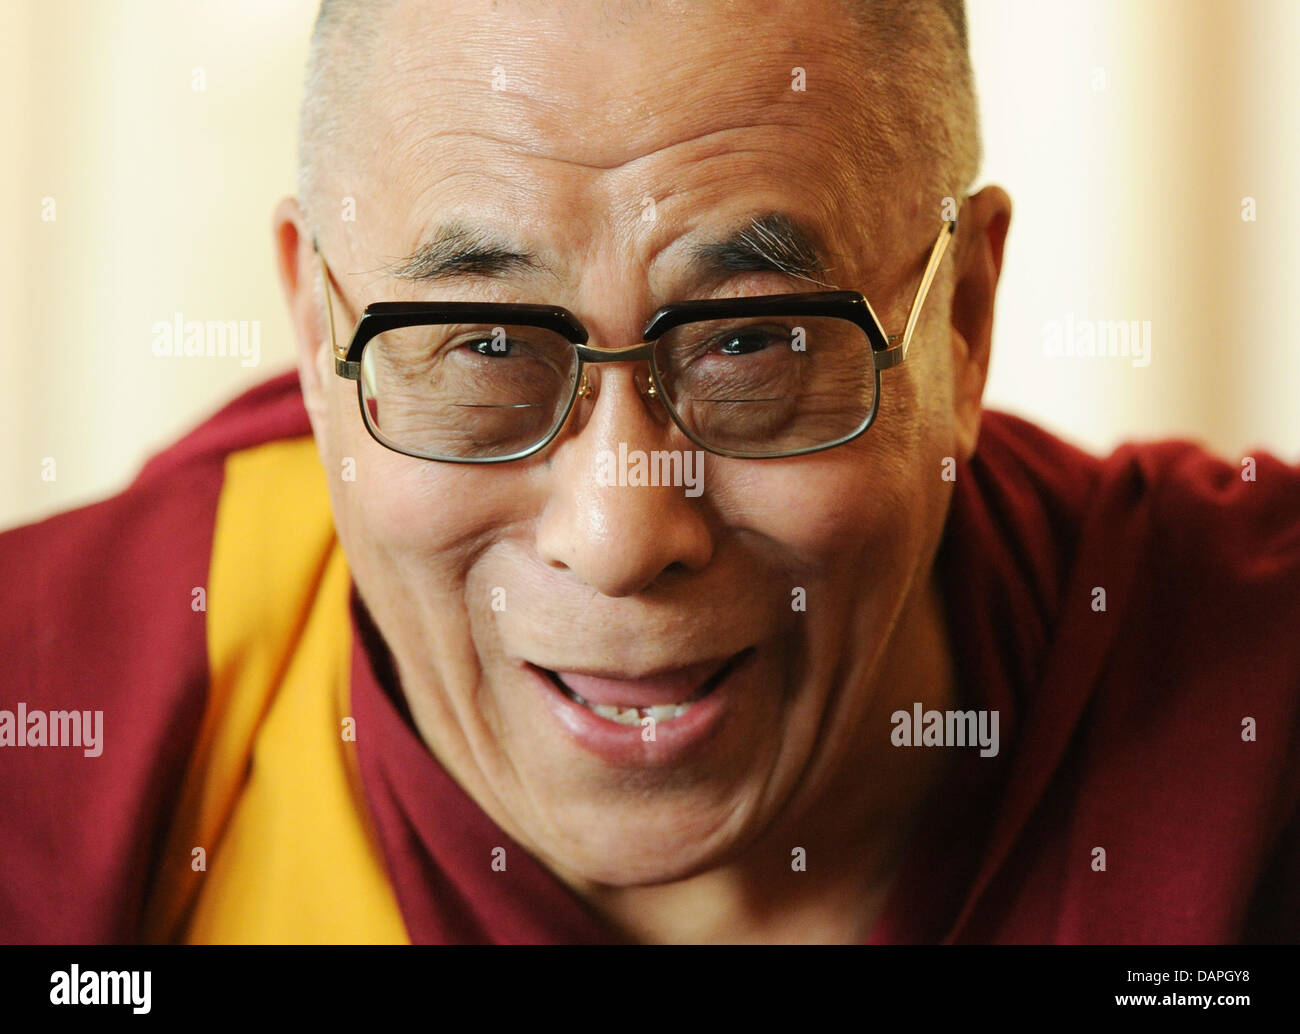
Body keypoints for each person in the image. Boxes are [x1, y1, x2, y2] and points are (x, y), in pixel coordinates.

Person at [1, 0, 1296, 945]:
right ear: (312, 327)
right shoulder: (63, 710)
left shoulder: (1251, 684)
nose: (620, 534)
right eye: (490, 345)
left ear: (961, 318)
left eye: (748, 340)